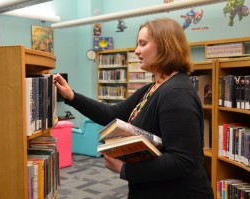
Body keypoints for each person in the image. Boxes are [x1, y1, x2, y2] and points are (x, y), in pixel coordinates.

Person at [54, 18, 214, 199]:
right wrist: (71, 96)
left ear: (165, 46)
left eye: (143, 44)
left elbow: (182, 161)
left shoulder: (176, 93)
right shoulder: (154, 87)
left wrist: (125, 169)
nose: (137, 51)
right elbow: (112, 114)